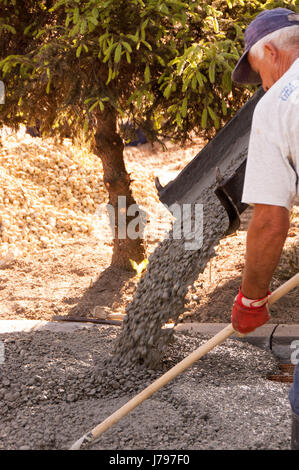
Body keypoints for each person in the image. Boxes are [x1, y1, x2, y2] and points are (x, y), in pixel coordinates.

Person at [230, 7, 299, 449]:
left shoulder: (279, 103)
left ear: (271, 53)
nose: (263, 86)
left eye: (259, 74)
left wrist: (251, 298)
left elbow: (271, 221)